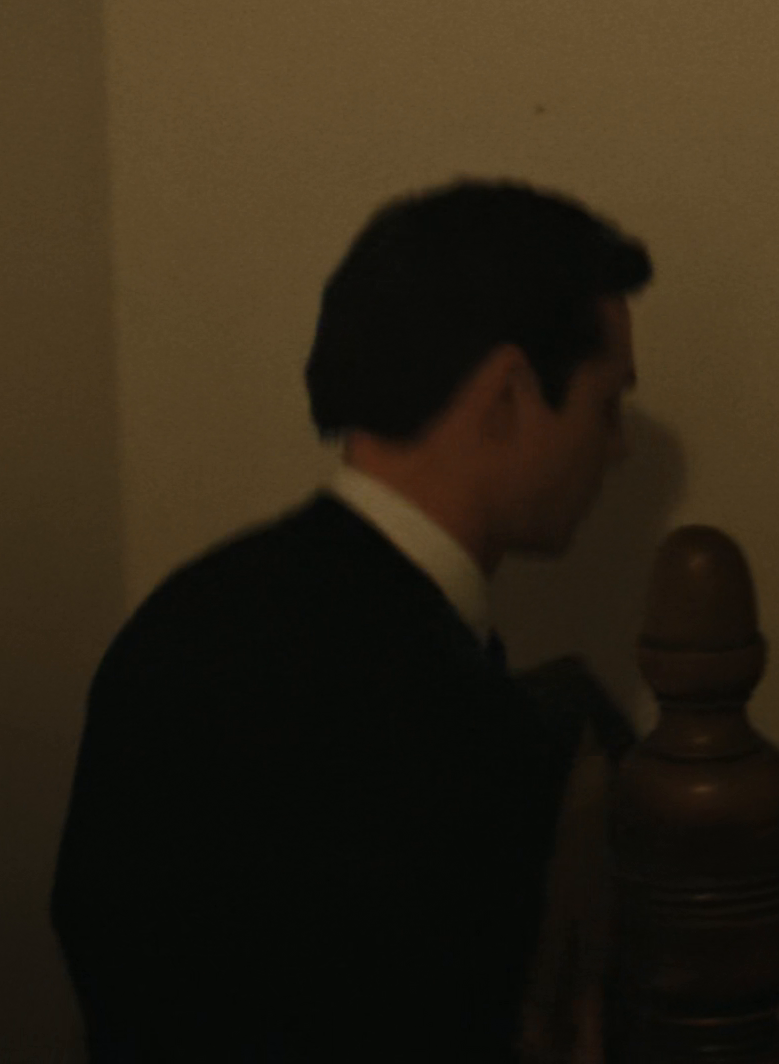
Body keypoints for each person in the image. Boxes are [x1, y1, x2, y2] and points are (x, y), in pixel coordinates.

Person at [52, 179, 650, 1061]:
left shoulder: (188, 612)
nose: (618, 447)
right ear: (509, 396)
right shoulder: (446, 718)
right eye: (607, 405)